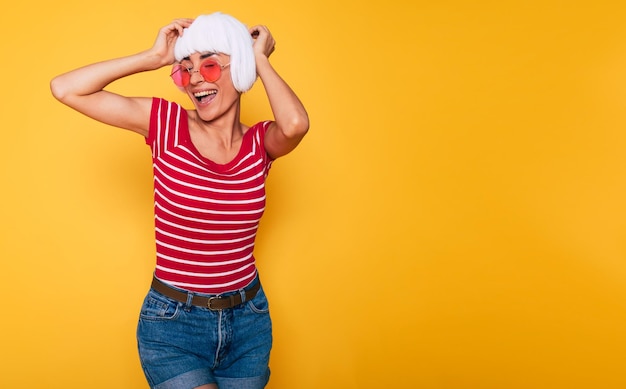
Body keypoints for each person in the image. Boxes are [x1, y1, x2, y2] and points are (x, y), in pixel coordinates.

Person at [50, 11, 309, 389]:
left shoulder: (260, 143)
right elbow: (65, 88)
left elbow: (296, 125)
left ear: (239, 70)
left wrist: (259, 59)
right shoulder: (165, 123)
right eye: (184, 69)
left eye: (210, 65)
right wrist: (153, 58)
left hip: (249, 321)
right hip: (174, 324)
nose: (195, 79)